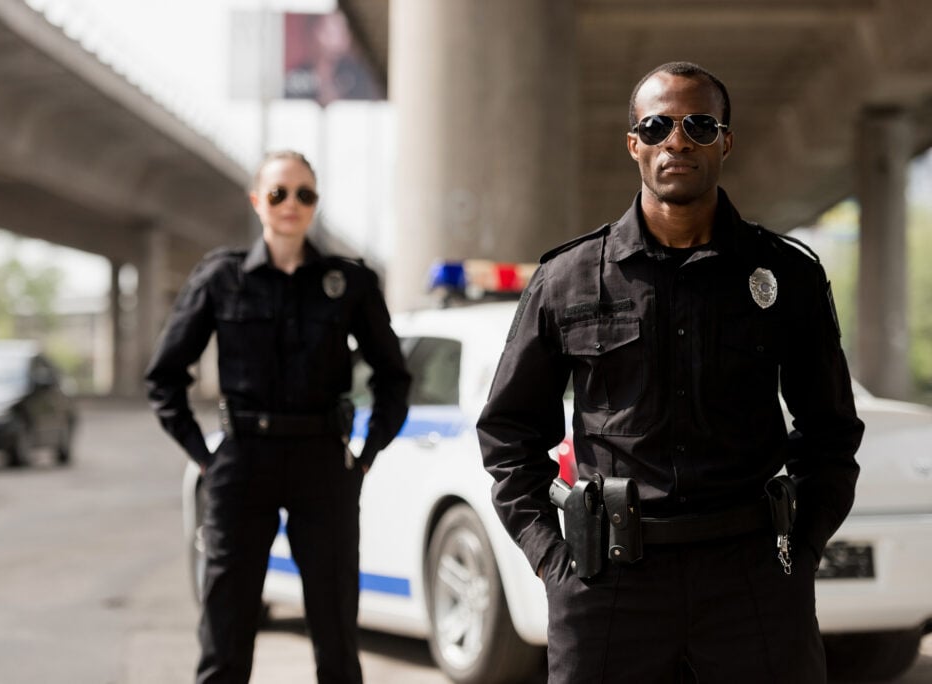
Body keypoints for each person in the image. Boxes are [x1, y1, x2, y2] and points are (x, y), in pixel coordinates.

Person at [477, 62, 864, 683]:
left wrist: (801, 546)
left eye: (699, 125)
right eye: (656, 126)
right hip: (609, 585)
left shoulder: (785, 275)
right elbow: (508, 434)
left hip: (752, 582)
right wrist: (555, 561)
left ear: (725, 142)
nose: (676, 141)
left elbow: (831, 432)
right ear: (634, 143)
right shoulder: (568, 278)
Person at [145, 150, 410, 684]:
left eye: (304, 194)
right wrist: (205, 457)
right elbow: (165, 376)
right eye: (278, 193)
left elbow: (393, 377)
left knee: (336, 633)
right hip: (242, 464)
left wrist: (365, 455)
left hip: (323, 463)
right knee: (225, 634)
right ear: (257, 201)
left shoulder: (348, 282)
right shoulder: (221, 278)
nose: (291, 204)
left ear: (314, 204)